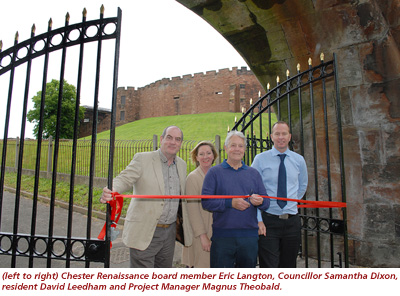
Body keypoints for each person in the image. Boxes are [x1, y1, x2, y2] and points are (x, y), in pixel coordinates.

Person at [100, 126, 193, 268]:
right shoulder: (143, 159)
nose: (173, 142)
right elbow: (124, 178)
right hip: (145, 229)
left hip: (169, 233)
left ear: (181, 143)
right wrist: (112, 189)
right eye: (169, 137)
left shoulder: (182, 164)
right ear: (162, 139)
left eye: (177, 139)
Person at [201, 130, 270, 268]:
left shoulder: (253, 174)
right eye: (233, 145)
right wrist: (230, 203)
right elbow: (206, 202)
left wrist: (260, 201)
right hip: (223, 237)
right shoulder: (214, 172)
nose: (237, 149)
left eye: (240, 146)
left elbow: (266, 202)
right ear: (226, 148)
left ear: (244, 149)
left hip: (249, 237)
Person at [251, 121, 308, 268]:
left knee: (289, 266)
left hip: (292, 221)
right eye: (277, 134)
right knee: (269, 266)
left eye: (284, 134)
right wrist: (259, 220)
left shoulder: (299, 160)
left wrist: (291, 203)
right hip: (269, 220)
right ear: (271, 136)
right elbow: (253, 190)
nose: (280, 137)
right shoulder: (260, 159)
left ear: (289, 137)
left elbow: (302, 186)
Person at [181, 141, 218, 268]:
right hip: (201, 232)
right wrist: (203, 236)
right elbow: (192, 210)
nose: (205, 156)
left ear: (214, 156)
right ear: (196, 157)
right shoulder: (193, 178)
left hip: (216, 230)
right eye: (201, 154)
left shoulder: (217, 174)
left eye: (208, 153)